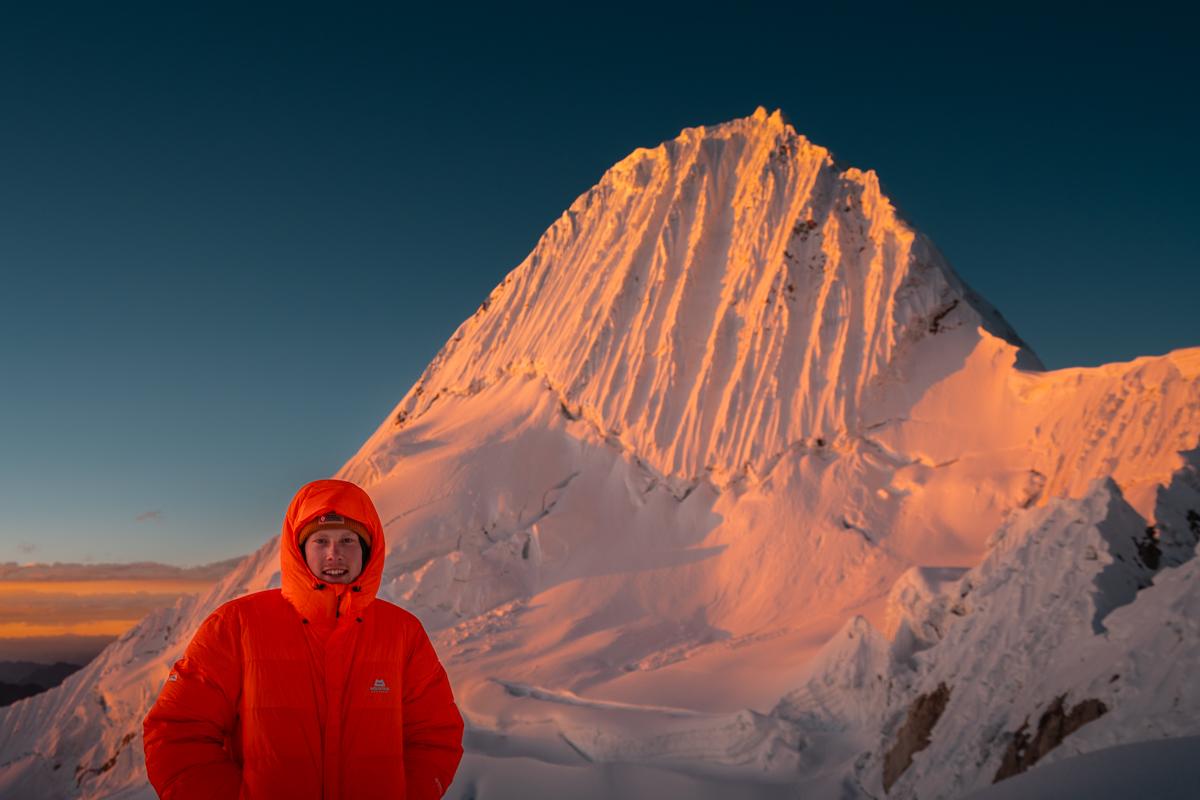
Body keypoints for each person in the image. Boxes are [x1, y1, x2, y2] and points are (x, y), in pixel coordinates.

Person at [143, 479, 464, 799]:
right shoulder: (237, 625)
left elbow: (435, 735)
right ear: (299, 550)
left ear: (368, 550)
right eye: (320, 541)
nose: (334, 554)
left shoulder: (403, 633)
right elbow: (176, 734)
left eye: (348, 540)